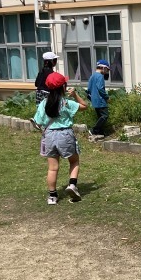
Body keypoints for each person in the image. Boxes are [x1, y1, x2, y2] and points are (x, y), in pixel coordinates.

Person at [33, 72, 88, 205]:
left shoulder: (43, 104)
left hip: (49, 135)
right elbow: (84, 106)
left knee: (53, 168)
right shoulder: (66, 103)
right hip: (65, 134)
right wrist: (75, 95)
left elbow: (37, 122)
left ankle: (52, 196)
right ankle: (72, 185)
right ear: (63, 87)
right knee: (74, 161)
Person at [87, 59, 110, 139]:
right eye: (107, 69)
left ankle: (100, 132)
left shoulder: (92, 76)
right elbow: (100, 88)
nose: (107, 72)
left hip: (94, 100)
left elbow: (89, 89)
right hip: (101, 100)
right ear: (103, 68)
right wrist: (107, 97)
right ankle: (94, 130)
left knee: (100, 116)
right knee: (105, 115)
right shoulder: (100, 76)